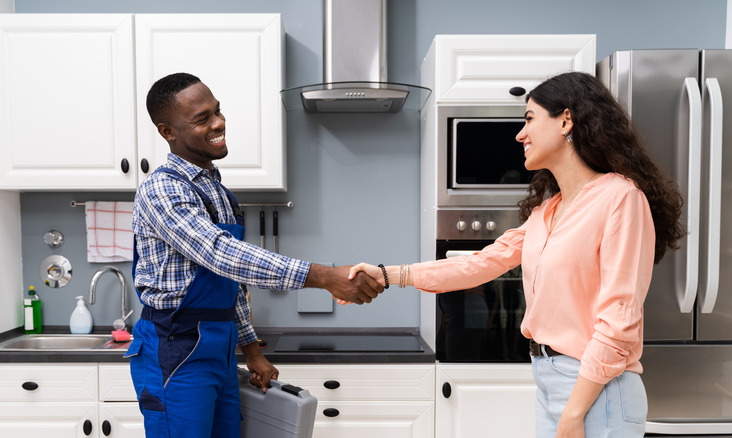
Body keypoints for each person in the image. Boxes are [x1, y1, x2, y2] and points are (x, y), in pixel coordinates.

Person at [348, 72, 685, 437]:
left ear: (566, 121)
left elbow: (619, 322)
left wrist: (574, 411)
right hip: (550, 381)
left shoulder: (620, 199)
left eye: (528, 119)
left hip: (597, 391)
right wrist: (387, 274)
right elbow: (477, 265)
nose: (519, 134)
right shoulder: (547, 212)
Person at [124, 72, 384, 438]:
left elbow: (230, 283)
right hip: (175, 350)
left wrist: (251, 349)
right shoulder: (162, 189)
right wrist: (324, 276)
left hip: (220, 348)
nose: (218, 123)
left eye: (218, 111)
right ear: (168, 131)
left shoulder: (217, 190)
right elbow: (222, 254)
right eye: (202, 119)